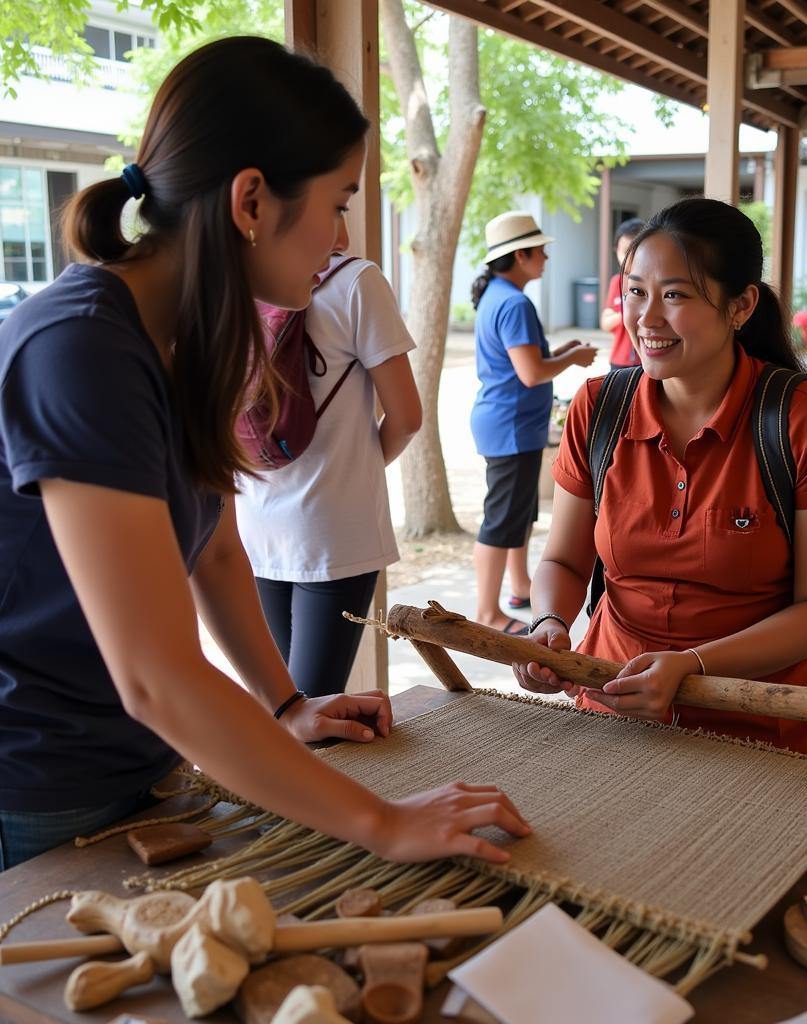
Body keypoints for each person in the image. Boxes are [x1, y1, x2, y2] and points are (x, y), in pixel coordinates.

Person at [0, 37, 528, 871]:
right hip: (44, 784)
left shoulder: (189, 336)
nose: (341, 234)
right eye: (338, 201)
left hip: (145, 765)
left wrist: (285, 704)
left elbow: (212, 546)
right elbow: (156, 678)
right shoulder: (79, 348)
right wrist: (382, 824)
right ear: (251, 201)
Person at [512, 197, 807, 763]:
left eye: (675, 295)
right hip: (614, 706)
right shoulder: (598, 407)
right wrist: (550, 623)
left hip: (772, 732)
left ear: (741, 306)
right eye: (635, 291)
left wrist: (693, 666)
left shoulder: (804, 418)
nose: (646, 319)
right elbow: (563, 561)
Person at [236, 256, 422, 697]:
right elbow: (407, 417)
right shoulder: (357, 282)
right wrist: (356, 471)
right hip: (335, 529)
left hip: (252, 521)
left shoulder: (231, 276)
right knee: (315, 709)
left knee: (285, 703)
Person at [469, 211, 597, 634]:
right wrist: (573, 359)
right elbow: (531, 373)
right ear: (520, 256)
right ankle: (488, 612)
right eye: (540, 250)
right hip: (510, 425)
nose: (545, 256)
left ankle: (520, 587)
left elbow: (525, 360)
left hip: (508, 423)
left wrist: (557, 352)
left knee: (518, 515)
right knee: (501, 520)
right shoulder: (514, 302)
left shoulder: (499, 296)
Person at [600, 217, 644, 370]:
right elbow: (605, 323)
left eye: (635, 251)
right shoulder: (616, 281)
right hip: (619, 359)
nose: (628, 258)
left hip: (646, 359)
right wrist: (628, 312)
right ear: (616, 251)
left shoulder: (654, 281)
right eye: (624, 251)